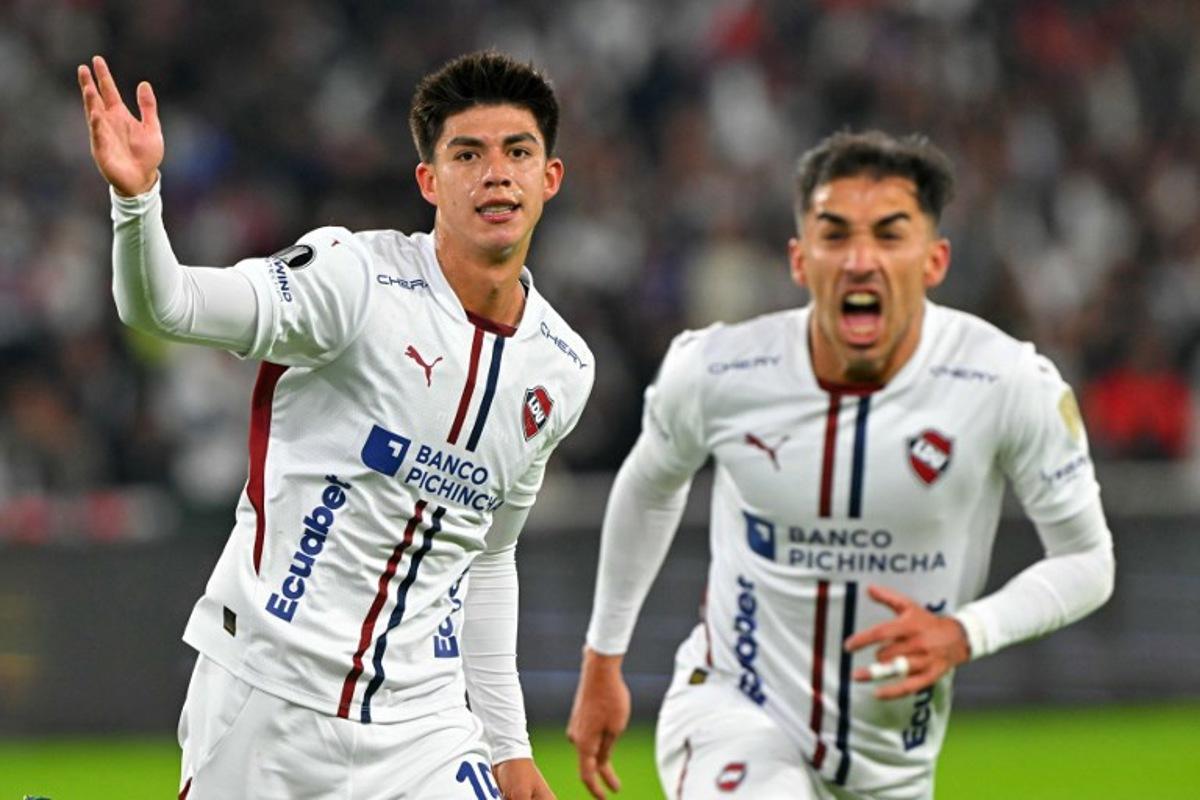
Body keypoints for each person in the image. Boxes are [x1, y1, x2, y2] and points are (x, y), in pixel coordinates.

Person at [79, 49, 593, 799]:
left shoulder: (563, 367)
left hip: (426, 726)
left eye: (518, 151)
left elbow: (488, 557)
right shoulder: (353, 280)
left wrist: (509, 748)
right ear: (429, 181)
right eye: (467, 154)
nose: (496, 173)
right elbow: (170, 307)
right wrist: (137, 202)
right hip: (268, 698)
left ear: (549, 177)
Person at [567, 131, 1114, 799]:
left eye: (889, 235)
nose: (860, 260)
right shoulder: (718, 370)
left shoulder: (1006, 383)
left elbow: (1089, 561)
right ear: (800, 259)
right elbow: (650, 486)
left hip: (892, 762)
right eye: (835, 235)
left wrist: (965, 632)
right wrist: (602, 657)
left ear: (934, 259)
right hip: (734, 710)